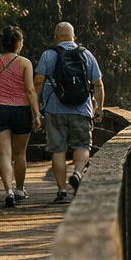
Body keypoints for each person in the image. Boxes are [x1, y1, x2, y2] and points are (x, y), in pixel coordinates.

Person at [34, 22, 105, 203]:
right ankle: (78, 173)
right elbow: (98, 84)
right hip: (82, 109)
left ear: (56, 37)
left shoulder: (48, 55)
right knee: (82, 146)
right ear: (74, 37)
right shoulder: (86, 54)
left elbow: (38, 83)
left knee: (58, 150)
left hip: (54, 111)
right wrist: (99, 108)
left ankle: (62, 191)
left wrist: (35, 107)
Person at [0, 25, 41, 207]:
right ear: (19, 44)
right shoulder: (25, 63)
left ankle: (8, 191)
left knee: (4, 153)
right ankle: (20, 188)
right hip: (21, 110)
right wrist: (36, 114)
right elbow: (30, 90)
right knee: (20, 153)